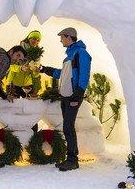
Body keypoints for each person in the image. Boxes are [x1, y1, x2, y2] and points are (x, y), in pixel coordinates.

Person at [40, 27, 92, 171]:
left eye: (62, 37)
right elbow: (62, 74)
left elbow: (84, 74)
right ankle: (70, 158)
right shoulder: (68, 56)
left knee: (68, 127)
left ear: (69, 37)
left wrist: (79, 93)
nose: (60, 40)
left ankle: (72, 160)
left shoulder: (81, 53)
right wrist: (45, 69)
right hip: (66, 96)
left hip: (73, 96)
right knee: (67, 128)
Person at [6, 30, 42, 98]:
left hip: (27, 86)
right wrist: (21, 68)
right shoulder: (19, 49)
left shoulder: (37, 54)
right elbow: (10, 66)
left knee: (28, 107)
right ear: (29, 38)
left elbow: (34, 75)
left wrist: (36, 71)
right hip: (13, 84)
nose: (36, 41)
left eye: (38, 40)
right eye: (34, 38)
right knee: (12, 106)